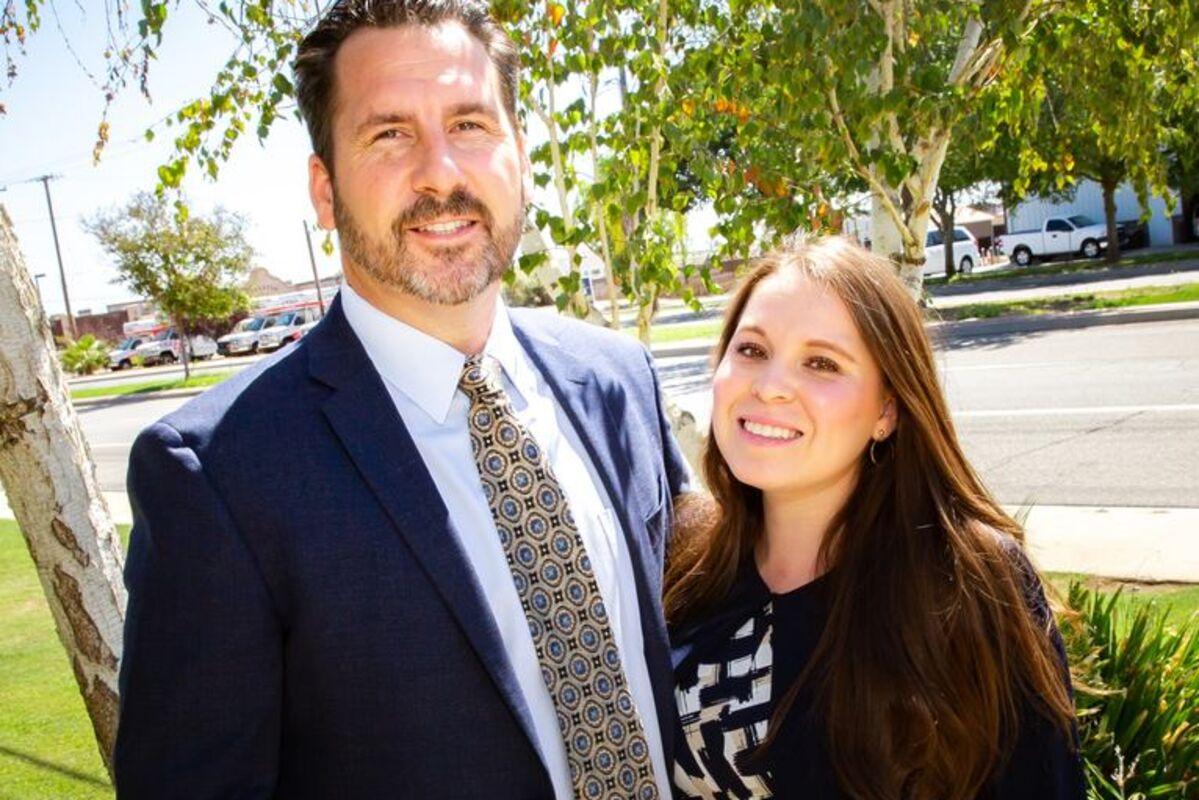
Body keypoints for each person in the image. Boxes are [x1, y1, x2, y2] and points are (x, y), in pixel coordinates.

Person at [113, 2, 689, 797]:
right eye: (389, 135)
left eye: (470, 126)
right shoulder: (218, 476)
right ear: (324, 189)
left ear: (518, 153)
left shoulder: (619, 379)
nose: (441, 174)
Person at [665, 237, 1084, 799]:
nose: (770, 387)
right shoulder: (684, 556)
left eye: (821, 363)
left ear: (887, 410)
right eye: (752, 350)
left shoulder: (968, 584)